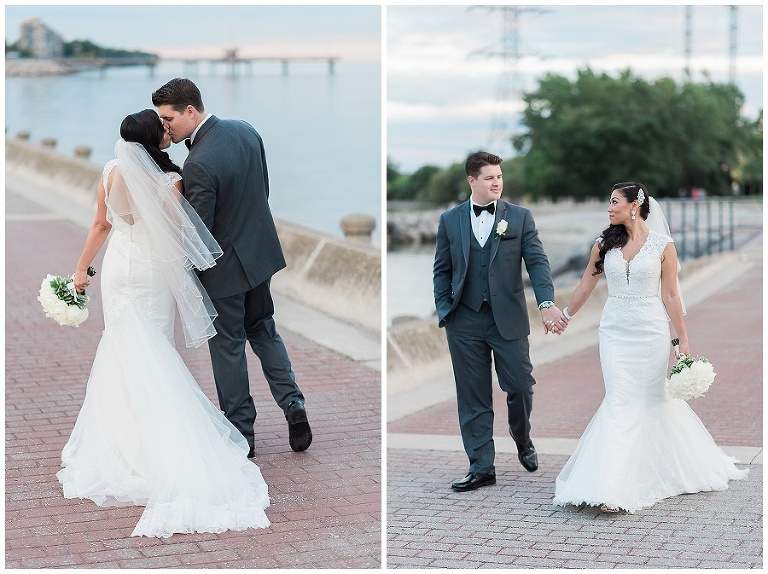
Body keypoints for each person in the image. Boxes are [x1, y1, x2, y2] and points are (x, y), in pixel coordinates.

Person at [58, 109, 271, 537]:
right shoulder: (171, 181)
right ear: (157, 141)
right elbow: (178, 235)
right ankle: (160, 441)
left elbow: (101, 224)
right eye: (163, 129)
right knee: (155, 347)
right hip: (153, 272)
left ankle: (121, 444)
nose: (168, 131)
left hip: (118, 268)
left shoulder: (110, 171)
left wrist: (80, 270)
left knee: (119, 346)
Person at [553, 182, 749, 513]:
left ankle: (627, 483)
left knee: (652, 401)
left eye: (614, 202)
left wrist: (682, 339)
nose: (608, 208)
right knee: (619, 401)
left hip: (650, 333)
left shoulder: (663, 245)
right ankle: (609, 483)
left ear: (634, 206)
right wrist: (567, 315)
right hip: (614, 332)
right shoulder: (604, 245)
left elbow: (671, 295)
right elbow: (587, 281)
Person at [152, 78, 311, 457]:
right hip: (260, 256)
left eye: (168, 118)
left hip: (224, 270)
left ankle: (242, 433)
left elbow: (198, 233)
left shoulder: (198, 163)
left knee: (227, 347)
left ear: (190, 110)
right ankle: (293, 404)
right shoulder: (246, 130)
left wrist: (184, 271)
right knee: (264, 330)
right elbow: (263, 191)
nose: (165, 127)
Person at [433, 151, 567, 492]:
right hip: (463, 320)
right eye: (490, 177)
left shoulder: (519, 218)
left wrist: (546, 303)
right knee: (472, 395)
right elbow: (442, 270)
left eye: (500, 177)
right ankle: (481, 467)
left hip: (507, 318)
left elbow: (537, 264)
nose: (497, 182)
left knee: (521, 385)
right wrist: (445, 309)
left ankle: (522, 437)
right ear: (472, 180)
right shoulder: (450, 220)